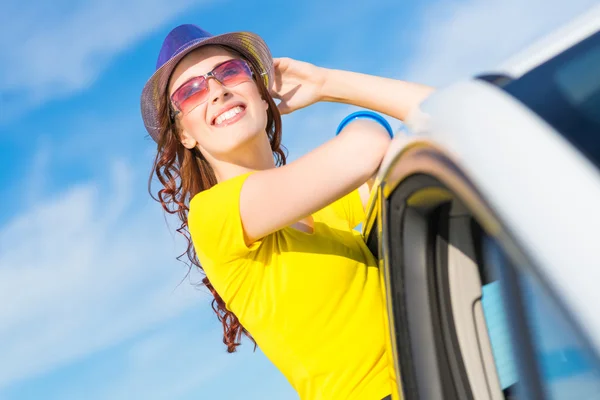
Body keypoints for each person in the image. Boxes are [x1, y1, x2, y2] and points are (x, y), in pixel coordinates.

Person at [141, 24, 433, 400]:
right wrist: (363, 122)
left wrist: (325, 82)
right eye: (191, 91)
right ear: (185, 136)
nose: (216, 90)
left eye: (229, 72)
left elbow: (451, 116)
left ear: (264, 97)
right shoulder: (213, 215)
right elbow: (366, 148)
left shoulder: (325, 207)